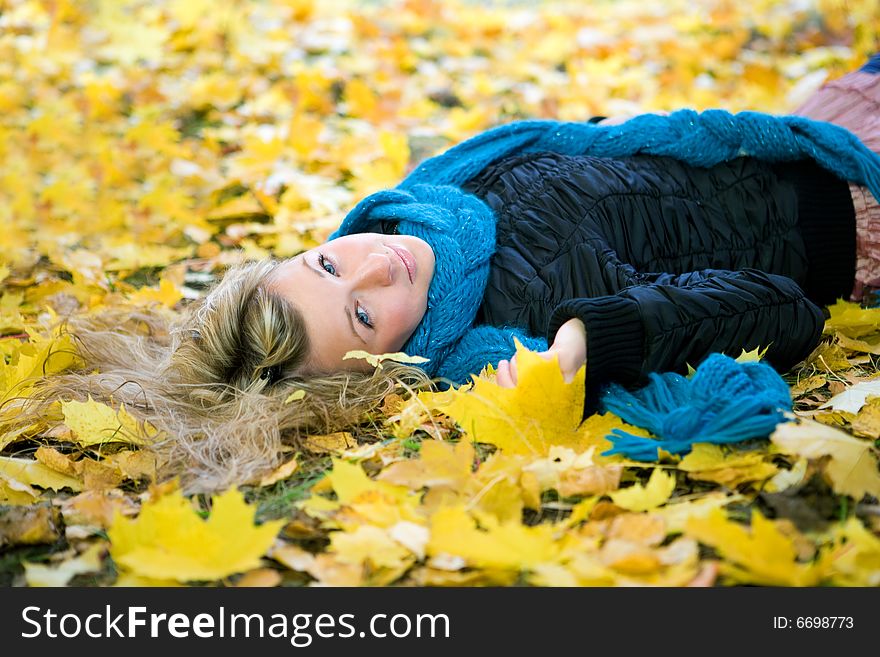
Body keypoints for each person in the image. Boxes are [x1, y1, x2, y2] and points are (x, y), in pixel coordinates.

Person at [7, 55, 880, 492]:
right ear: (380, 366)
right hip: (851, 208)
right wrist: (592, 338)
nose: (377, 267)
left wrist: (627, 132)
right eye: (360, 316)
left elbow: (588, 163)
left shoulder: (425, 200)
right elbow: (782, 308)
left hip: (798, 128)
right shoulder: (500, 343)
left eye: (326, 262)